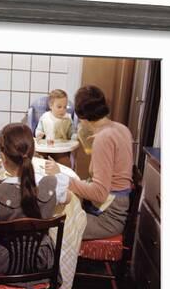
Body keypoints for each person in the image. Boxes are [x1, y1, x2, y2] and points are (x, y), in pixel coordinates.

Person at [0, 123, 71, 276]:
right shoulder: (53, 185)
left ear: (3, 157)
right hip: (42, 261)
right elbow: (68, 198)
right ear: (33, 153)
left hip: (4, 265)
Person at [45, 85, 133, 240]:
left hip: (107, 217)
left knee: (50, 225)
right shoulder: (121, 128)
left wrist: (64, 178)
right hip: (119, 206)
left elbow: (99, 193)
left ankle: (51, 263)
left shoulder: (103, 139)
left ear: (82, 117)